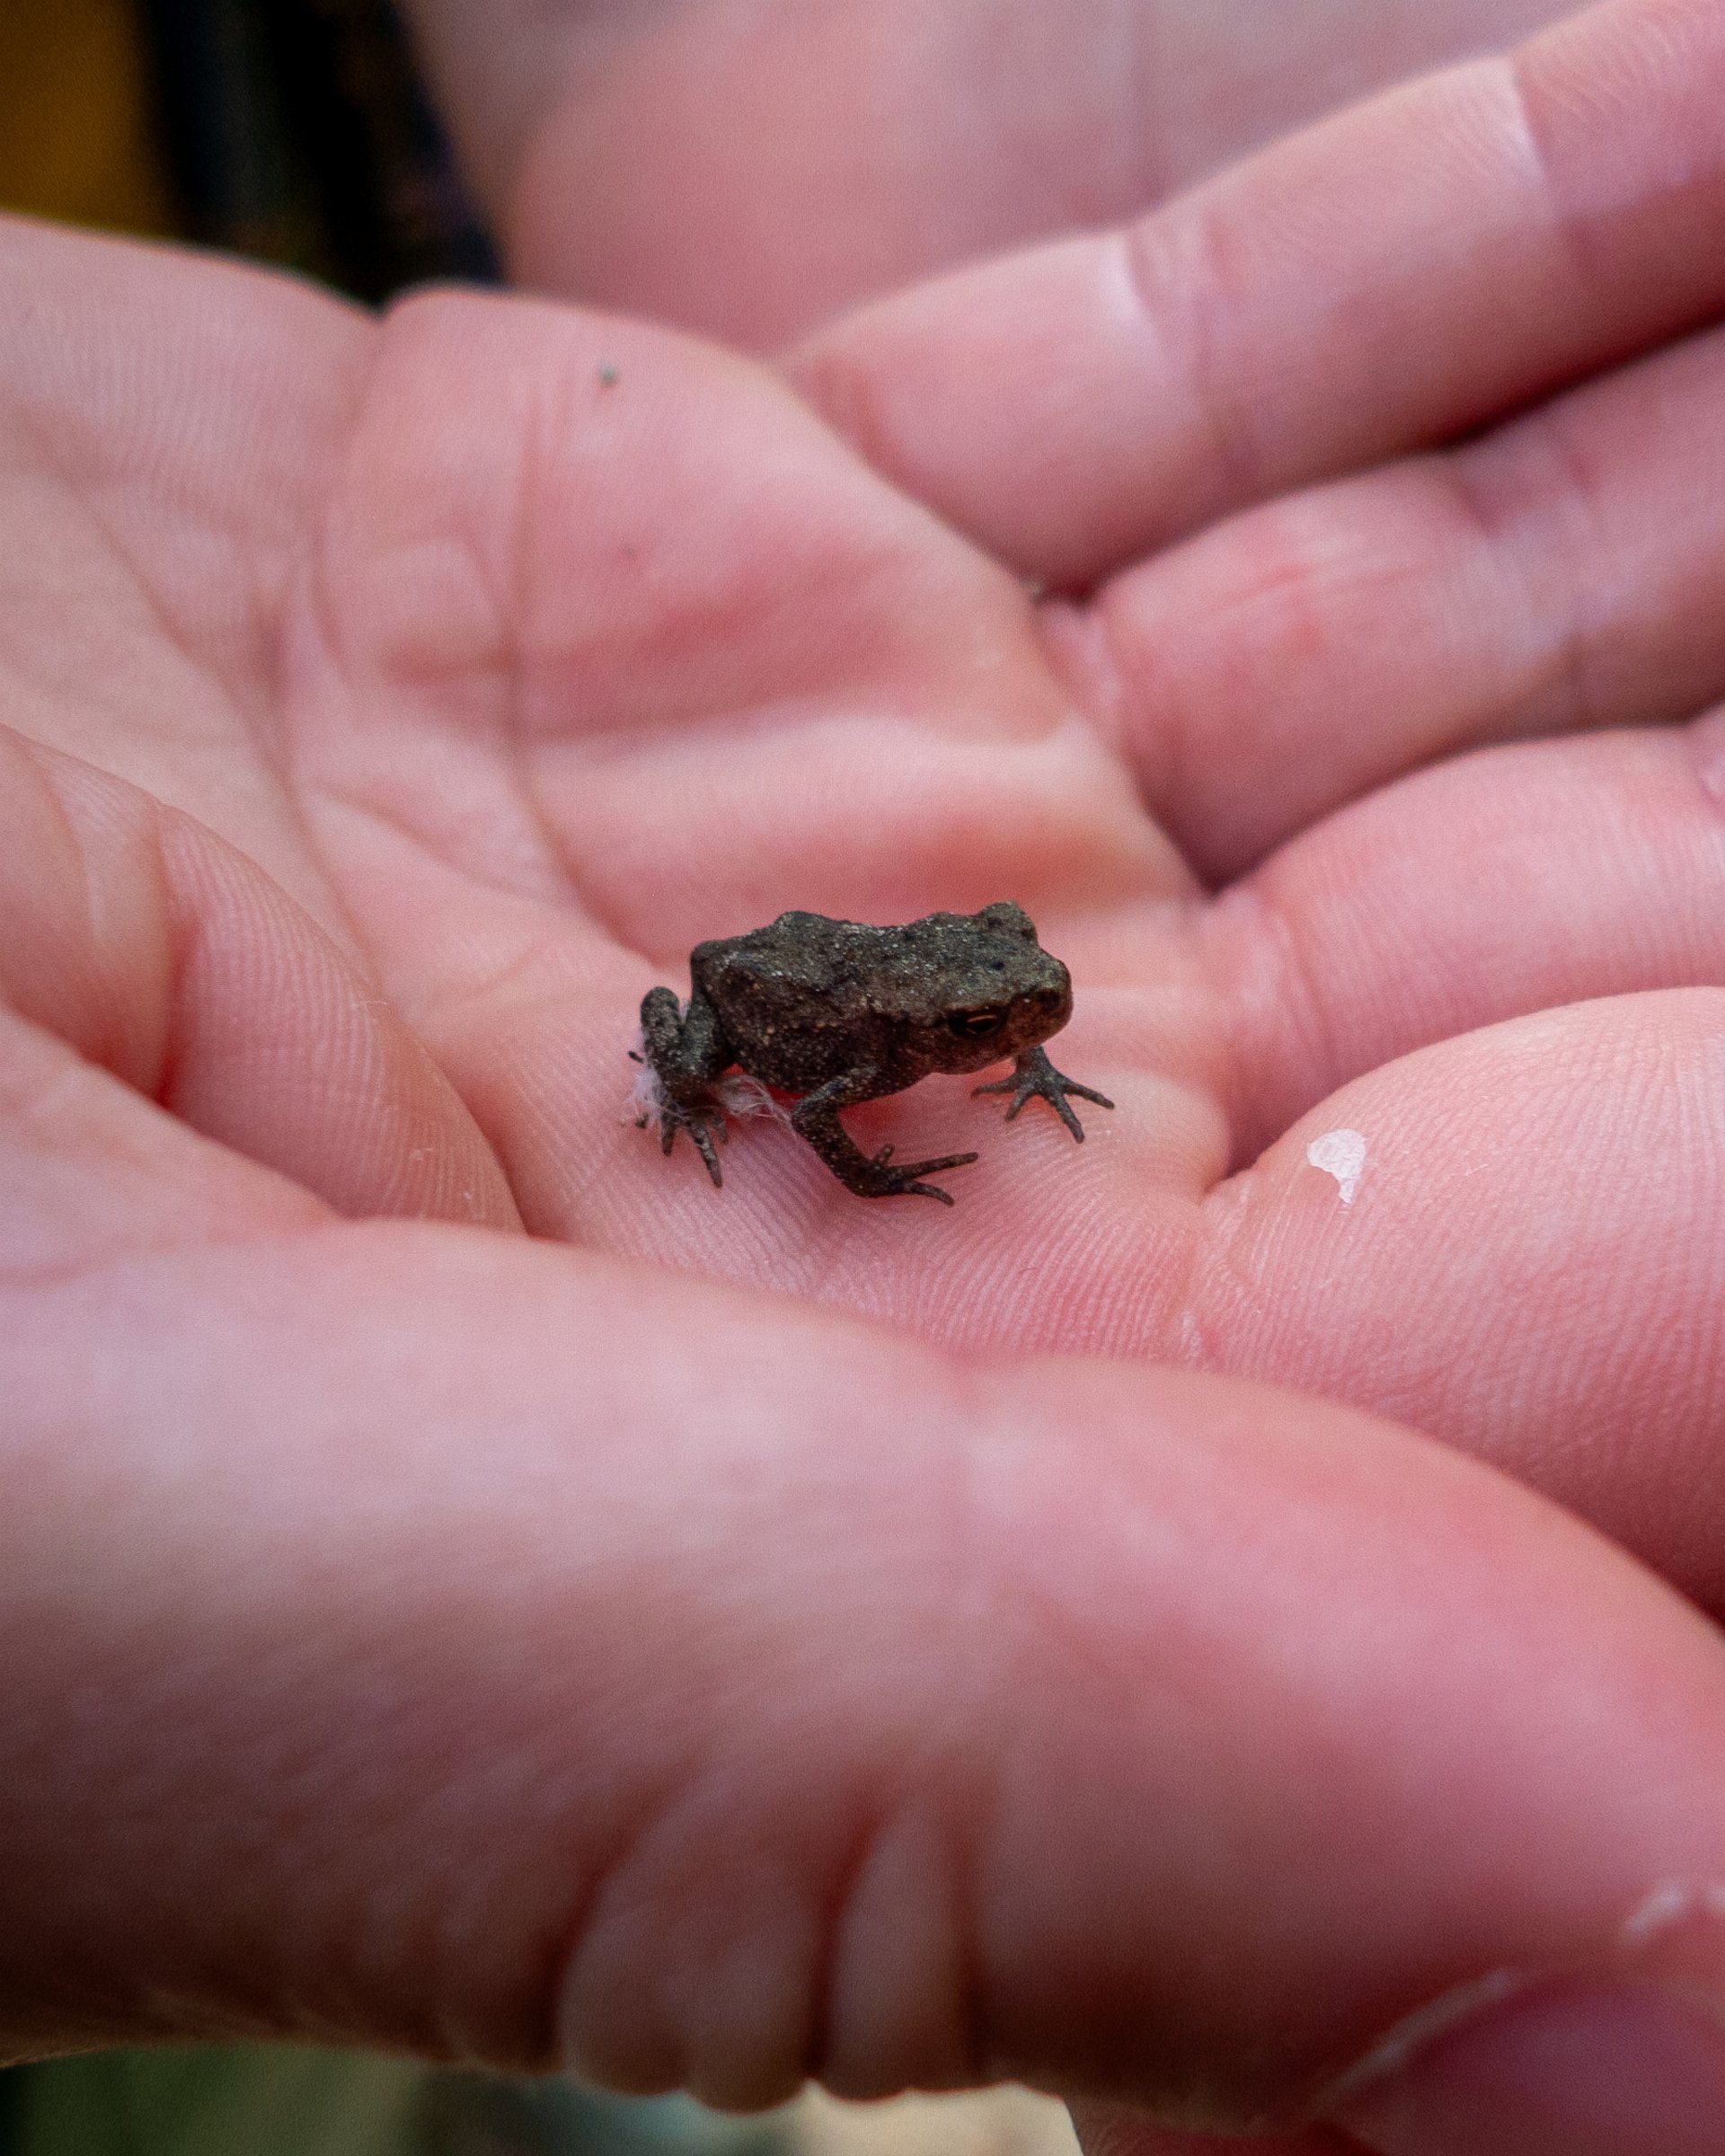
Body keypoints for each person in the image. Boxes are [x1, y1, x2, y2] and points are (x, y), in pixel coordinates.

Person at [4, 2, 1725, 2151]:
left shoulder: (967, 1008)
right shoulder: (856, 1056)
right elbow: (808, 1099)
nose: (1020, 1027)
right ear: (944, 1025)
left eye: (1017, 1018)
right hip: (740, 988)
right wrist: (781, 1130)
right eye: (1003, 1027)